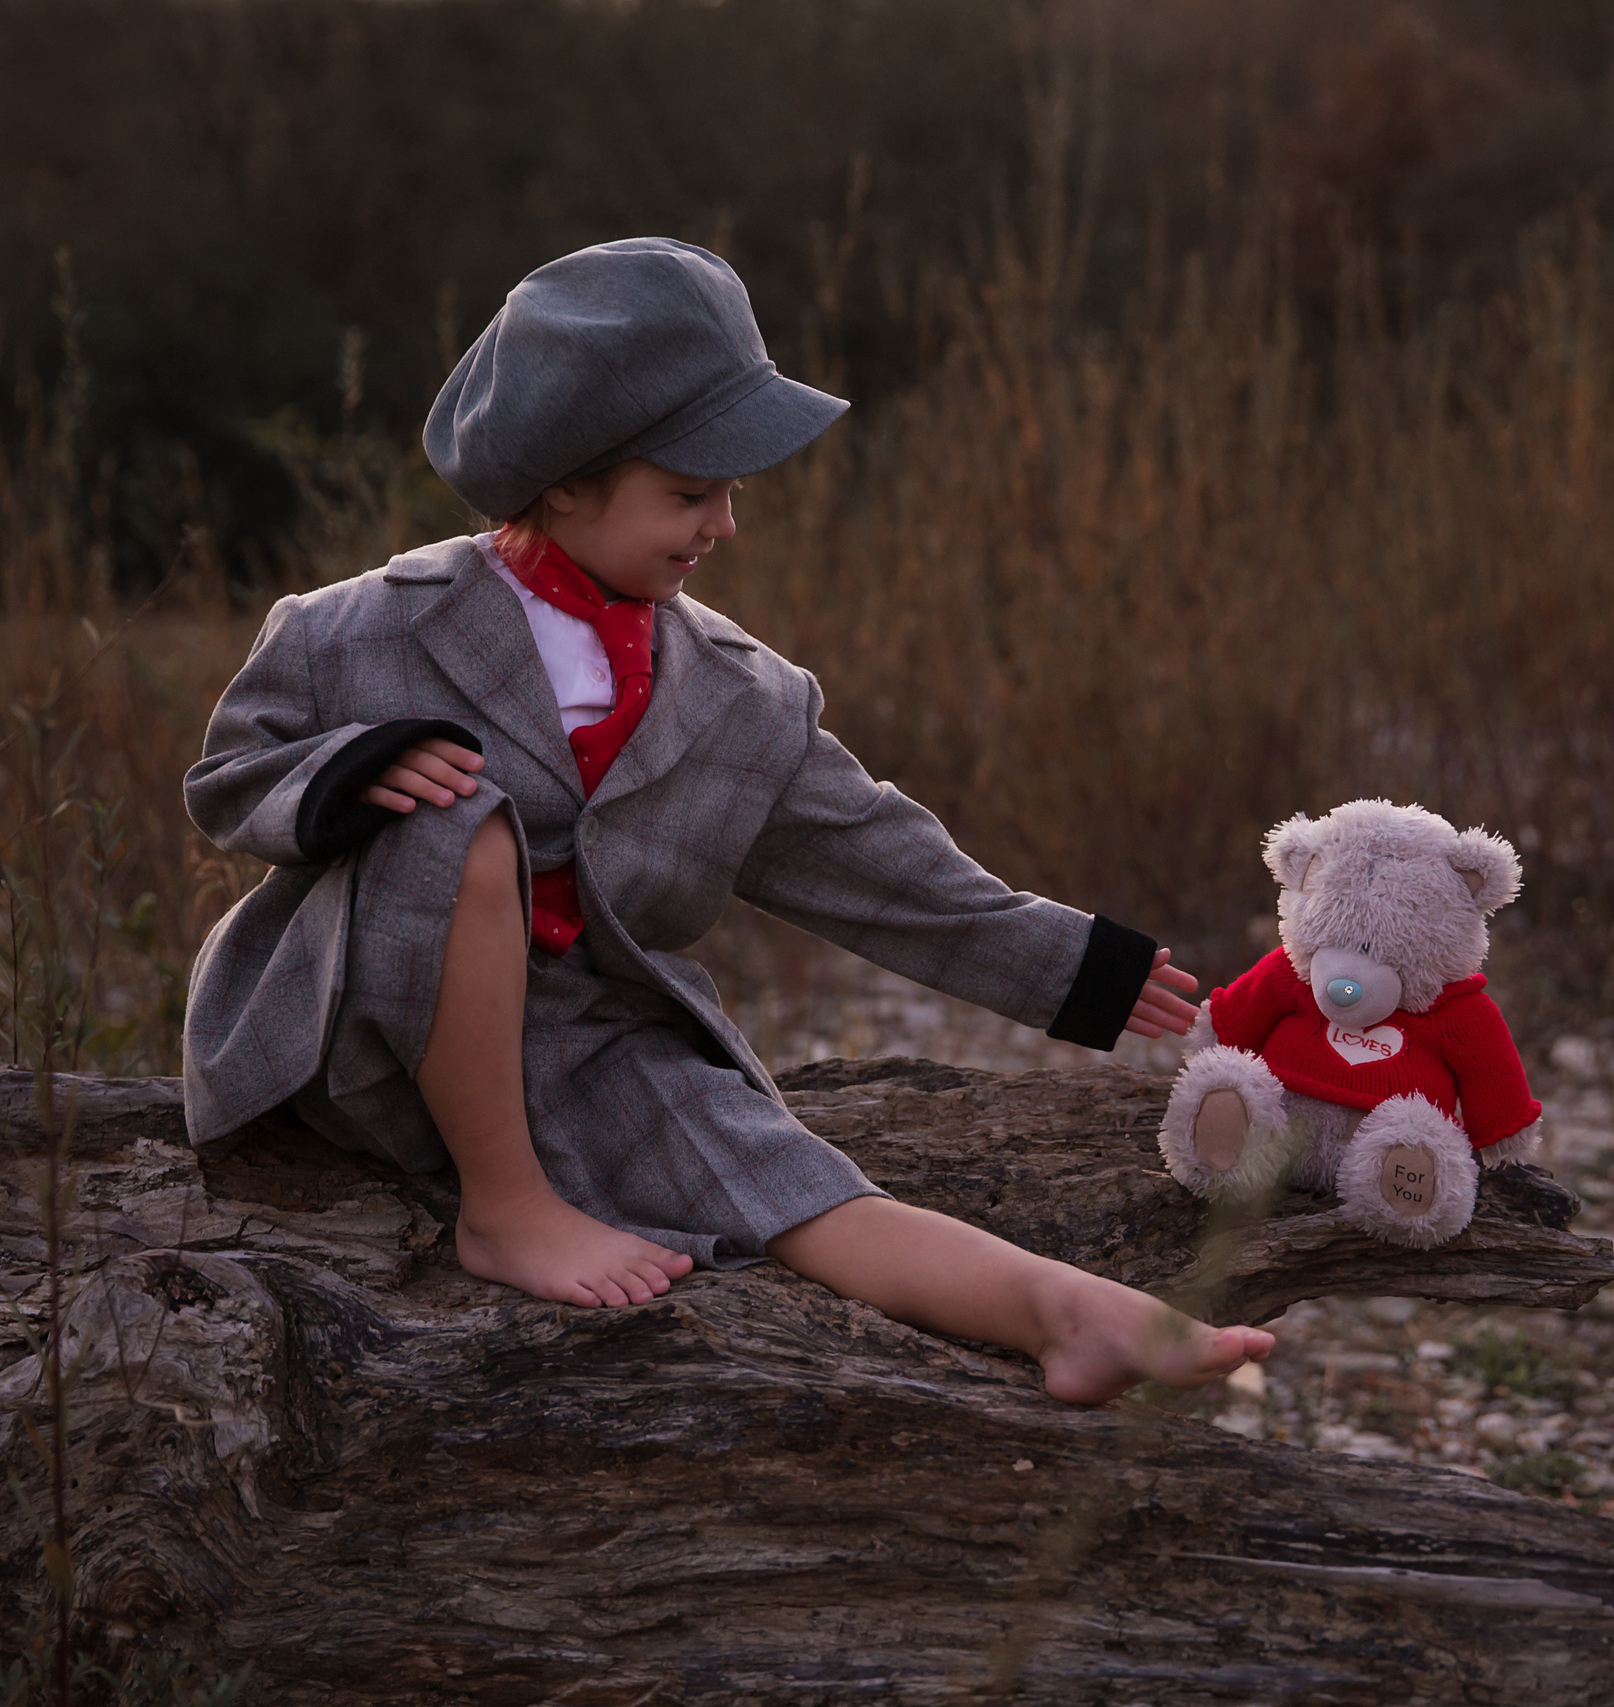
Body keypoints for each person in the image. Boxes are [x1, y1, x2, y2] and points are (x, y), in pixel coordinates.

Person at [181, 238, 1271, 1403]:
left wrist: (1076, 968)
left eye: (730, 494)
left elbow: (879, 864)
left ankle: (1065, 1314)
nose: (725, 526)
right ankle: (505, 1211)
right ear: (563, 480)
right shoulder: (358, 629)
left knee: (786, 1181)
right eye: (690, 493)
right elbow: (231, 778)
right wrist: (349, 774)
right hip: (359, 1030)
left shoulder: (743, 698)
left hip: (589, 1044)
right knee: (461, 811)